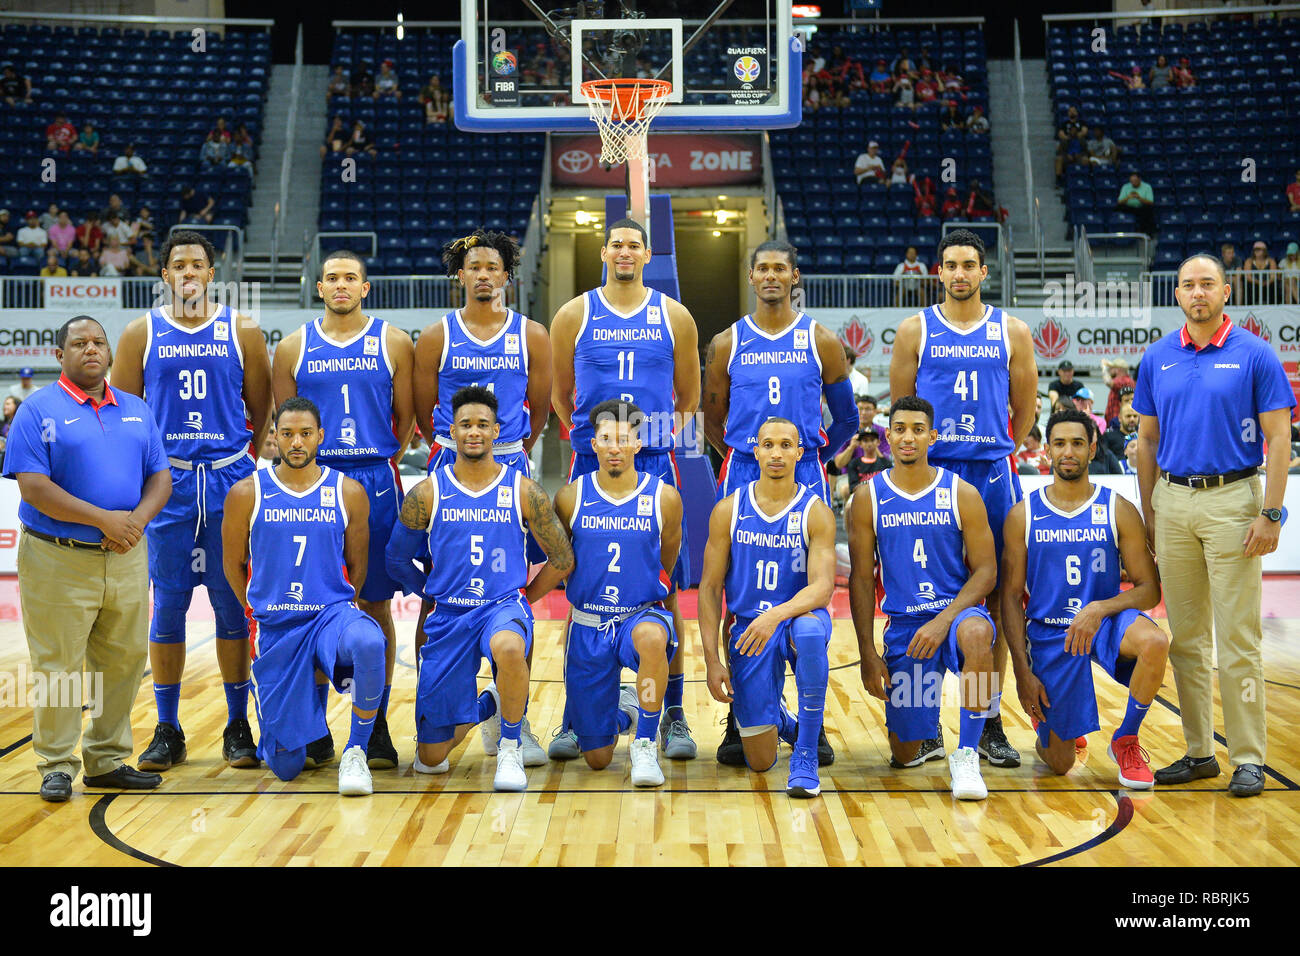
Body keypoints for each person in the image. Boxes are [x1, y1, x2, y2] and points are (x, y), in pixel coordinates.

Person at [110, 228, 274, 772]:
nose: (187, 272)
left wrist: (238, 468)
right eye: (177, 264)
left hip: (228, 479)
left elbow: (261, 410)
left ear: (210, 273)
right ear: (165, 275)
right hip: (169, 485)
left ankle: (237, 724)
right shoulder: (141, 332)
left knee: (233, 609)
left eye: (196, 264)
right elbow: (125, 419)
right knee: (169, 608)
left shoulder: (241, 329)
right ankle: (168, 727)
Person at [1134, 253, 1295, 797]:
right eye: (1188, 285)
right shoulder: (1157, 357)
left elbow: (1278, 441)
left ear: (1226, 292)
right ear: (1176, 294)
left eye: (1207, 284)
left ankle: (1248, 756)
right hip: (1173, 501)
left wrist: (1271, 512)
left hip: (1233, 500)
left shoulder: (1255, 355)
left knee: (1238, 638)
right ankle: (1200, 751)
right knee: (1187, 639)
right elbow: (1148, 443)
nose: (1197, 293)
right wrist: (1151, 514)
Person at [550, 217, 701, 762]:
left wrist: (647, 442)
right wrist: (592, 440)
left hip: (653, 460)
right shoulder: (574, 313)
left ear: (648, 252)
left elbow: (690, 395)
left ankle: (674, 716)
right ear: (603, 252)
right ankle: (576, 716)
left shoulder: (674, 315)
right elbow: (559, 396)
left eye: (634, 245)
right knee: (580, 578)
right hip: (592, 458)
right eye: (616, 244)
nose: (625, 252)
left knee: (663, 587)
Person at [4, 316, 172, 802]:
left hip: (127, 555)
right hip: (58, 558)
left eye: (99, 342)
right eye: (79, 343)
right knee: (59, 666)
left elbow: (160, 477)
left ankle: (106, 759)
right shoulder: (37, 410)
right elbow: (34, 488)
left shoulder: (138, 409)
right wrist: (106, 520)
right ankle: (56, 763)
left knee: (123, 662)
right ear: (60, 356)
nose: (91, 349)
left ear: (111, 354)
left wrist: (133, 523)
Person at [889, 229, 1038, 768]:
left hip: (991, 472)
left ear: (983, 272)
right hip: (933, 472)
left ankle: (989, 718)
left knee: (996, 598)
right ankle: (924, 726)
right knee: (923, 592)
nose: (959, 273)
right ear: (939, 271)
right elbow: (903, 407)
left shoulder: (1013, 331)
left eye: (968, 265)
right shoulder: (915, 330)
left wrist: (994, 451)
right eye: (950, 264)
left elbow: (1024, 413)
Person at [702, 239, 853, 765]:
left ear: (794, 276)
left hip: (803, 468)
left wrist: (805, 458)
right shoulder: (726, 342)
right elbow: (709, 417)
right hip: (744, 466)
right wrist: (752, 456)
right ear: (750, 276)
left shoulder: (822, 340)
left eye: (779, 269)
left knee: (803, 591)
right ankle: (741, 710)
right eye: (761, 268)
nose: (770, 276)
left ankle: (810, 715)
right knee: (739, 591)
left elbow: (848, 420)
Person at [385, 386, 574, 791]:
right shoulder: (427, 493)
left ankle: (509, 747)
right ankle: (490, 703)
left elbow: (562, 558)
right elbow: (395, 560)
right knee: (430, 760)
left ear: (497, 432)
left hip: (500, 607)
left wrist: (524, 598)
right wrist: (429, 592)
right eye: (466, 425)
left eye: (483, 425)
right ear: (451, 430)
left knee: (509, 647)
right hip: (450, 615)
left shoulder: (523, 490)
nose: (474, 432)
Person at [410, 229, 552, 765]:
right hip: (450, 462)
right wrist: (456, 450)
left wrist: (513, 452)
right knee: (440, 592)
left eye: (493, 266)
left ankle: (514, 724)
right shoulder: (436, 336)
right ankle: (445, 705)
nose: (485, 275)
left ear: (507, 275)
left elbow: (538, 410)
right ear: (460, 275)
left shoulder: (532, 335)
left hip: (510, 459)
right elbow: (426, 414)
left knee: (510, 595)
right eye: (475, 267)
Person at [273, 249, 415, 770]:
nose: (341, 285)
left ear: (365, 287)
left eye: (350, 277)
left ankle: (375, 726)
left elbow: (406, 420)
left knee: (374, 602)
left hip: (375, 477)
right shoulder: (292, 347)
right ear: (318, 287)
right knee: (311, 605)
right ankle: (312, 728)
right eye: (332, 277)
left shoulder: (394, 341)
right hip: (312, 480)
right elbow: (286, 419)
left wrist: (377, 461)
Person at [222, 397, 387, 796]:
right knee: (286, 766)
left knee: (368, 640)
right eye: (288, 434)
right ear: (273, 437)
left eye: (306, 434)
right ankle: (302, 720)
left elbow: (357, 566)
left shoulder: (348, 492)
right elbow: (233, 565)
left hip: (330, 616)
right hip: (277, 626)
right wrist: (257, 608)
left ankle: (356, 752)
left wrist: (340, 609)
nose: (297, 442)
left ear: (320, 438)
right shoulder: (246, 492)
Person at [1000, 408, 1168, 788]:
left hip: (1105, 622)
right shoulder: (1023, 515)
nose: (1068, 452)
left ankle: (1125, 738)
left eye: (1078, 443)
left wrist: (1100, 608)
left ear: (1093, 449)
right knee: (1060, 765)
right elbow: (1010, 598)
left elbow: (1149, 588)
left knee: (1155, 641)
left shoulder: (1118, 509)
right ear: (1047, 451)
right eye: (1059, 444)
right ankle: (1054, 729)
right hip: (1051, 632)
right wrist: (1023, 673)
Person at [846, 396, 999, 799]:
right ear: (887, 437)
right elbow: (861, 580)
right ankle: (924, 728)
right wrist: (867, 652)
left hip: (956, 615)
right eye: (899, 429)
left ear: (933, 436)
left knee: (978, 637)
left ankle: (966, 753)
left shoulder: (960, 493)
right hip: (906, 630)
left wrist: (943, 620)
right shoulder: (867, 498)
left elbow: (986, 572)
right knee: (904, 752)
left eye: (917, 430)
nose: (908, 438)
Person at [697, 417, 837, 797]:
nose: (777, 453)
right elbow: (708, 589)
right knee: (758, 760)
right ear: (755, 450)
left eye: (786, 445)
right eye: (769, 444)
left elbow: (822, 588)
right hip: (748, 631)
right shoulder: (729, 509)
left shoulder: (815, 510)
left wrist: (774, 615)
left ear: (799, 452)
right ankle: (782, 719)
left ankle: (806, 753)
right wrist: (712, 660)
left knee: (808, 633)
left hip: (795, 619)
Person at [551, 399, 682, 786]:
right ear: (592, 444)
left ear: (638, 445)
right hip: (588, 624)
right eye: (606, 439)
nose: (614, 447)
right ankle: (629, 708)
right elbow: (561, 563)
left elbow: (666, 563)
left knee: (652, 636)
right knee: (596, 758)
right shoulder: (569, 497)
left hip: (637, 615)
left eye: (623, 439)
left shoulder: (664, 498)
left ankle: (644, 745)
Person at [1116, 172, 1156, 237]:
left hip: (1141, 207)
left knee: (1149, 209)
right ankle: (1120, 231)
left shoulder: (1147, 187)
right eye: (1131, 181)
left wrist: (1139, 198)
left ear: (1139, 180)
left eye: (1135, 181)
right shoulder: (1125, 187)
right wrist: (1128, 197)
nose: (1133, 183)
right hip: (1129, 207)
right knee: (1118, 207)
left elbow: (1150, 202)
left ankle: (1147, 233)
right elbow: (1119, 202)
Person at [1240, 241, 1279, 306]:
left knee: (1273, 285)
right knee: (1249, 285)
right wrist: (1258, 282)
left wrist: (1266, 283)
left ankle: (1273, 305)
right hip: (1253, 283)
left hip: (1267, 283)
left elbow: (1273, 277)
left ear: (1264, 251)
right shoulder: (1249, 261)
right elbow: (1248, 277)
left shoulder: (1271, 261)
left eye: (1259, 249)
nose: (1257, 251)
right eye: (1255, 250)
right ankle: (1249, 305)